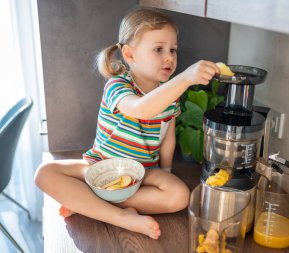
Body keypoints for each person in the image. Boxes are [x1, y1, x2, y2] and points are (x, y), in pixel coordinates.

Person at [34, 7, 219, 240]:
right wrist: (185, 78)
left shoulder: (169, 96)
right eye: (158, 49)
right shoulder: (117, 86)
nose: (170, 57)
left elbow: (167, 139)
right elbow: (139, 110)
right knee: (44, 173)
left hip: (144, 172)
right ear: (130, 55)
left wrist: (165, 172)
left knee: (180, 196)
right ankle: (121, 216)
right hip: (102, 166)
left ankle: (88, 202)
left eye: (173, 49)